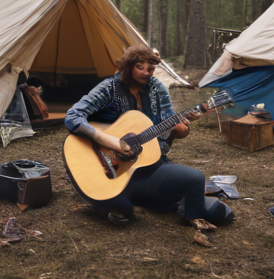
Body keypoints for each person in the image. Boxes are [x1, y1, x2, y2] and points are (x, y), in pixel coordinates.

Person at [64, 44, 234, 247]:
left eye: (151, 69)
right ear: (128, 66)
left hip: (145, 167)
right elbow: (73, 116)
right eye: (140, 67)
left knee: (195, 178)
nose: (146, 73)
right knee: (123, 211)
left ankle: (191, 217)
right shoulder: (109, 87)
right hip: (106, 167)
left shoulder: (157, 89)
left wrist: (177, 133)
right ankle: (125, 199)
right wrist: (110, 141)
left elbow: (163, 137)